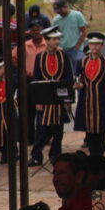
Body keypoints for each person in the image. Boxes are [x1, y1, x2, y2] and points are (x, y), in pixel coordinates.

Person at [30, 26, 73, 166]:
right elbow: (36, 79)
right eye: (54, 39)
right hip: (45, 99)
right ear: (47, 41)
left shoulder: (64, 56)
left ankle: (56, 154)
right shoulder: (39, 57)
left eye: (58, 39)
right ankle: (36, 155)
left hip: (58, 99)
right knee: (41, 129)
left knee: (58, 130)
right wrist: (38, 100)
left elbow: (68, 78)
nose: (57, 41)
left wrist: (68, 99)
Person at [73, 32, 105, 155]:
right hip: (87, 99)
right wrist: (79, 85)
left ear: (102, 45)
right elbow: (78, 78)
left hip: (101, 98)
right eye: (92, 44)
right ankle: (92, 152)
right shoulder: (82, 61)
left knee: (102, 128)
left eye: (97, 44)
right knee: (89, 128)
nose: (94, 47)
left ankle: (100, 152)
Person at [0, 57, 18, 165]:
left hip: (9, 108)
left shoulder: (12, 79)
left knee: (11, 131)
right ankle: (4, 154)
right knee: (0, 133)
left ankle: (14, 153)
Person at [52, 0, 88, 69]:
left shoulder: (77, 15)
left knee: (77, 70)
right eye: (57, 12)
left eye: (60, 10)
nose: (59, 13)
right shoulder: (56, 20)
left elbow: (84, 31)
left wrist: (77, 46)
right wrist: (57, 47)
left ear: (65, 7)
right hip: (62, 49)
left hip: (75, 48)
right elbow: (54, 35)